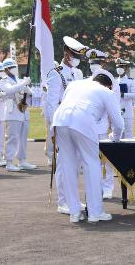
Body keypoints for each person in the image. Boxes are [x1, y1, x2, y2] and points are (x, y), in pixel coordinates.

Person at [52, 73, 124, 223]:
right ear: (108, 85)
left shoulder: (75, 84)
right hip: (82, 119)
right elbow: (118, 123)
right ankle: (95, 212)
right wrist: (115, 138)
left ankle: (74, 212)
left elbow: (65, 103)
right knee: (92, 164)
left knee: (67, 165)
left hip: (60, 119)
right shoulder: (107, 92)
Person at [47, 36, 88, 213]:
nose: (77, 59)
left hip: (78, 125)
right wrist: (54, 128)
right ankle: (63, 202)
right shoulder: (55, 73)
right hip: (63, 126)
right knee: (64, 165)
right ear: (66, 53)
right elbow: (51, 104)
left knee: (76, 165)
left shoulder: (78, 74)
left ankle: (74, 200)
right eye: (75, 55)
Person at [87, 48, 120, 199]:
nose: (93, 65)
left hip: (101, 125)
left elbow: (114, 104)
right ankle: (96, 186)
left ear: (102, 62)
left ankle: (108, 187)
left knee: (105, 159)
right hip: (87, 125)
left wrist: (113, 127)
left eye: (97, 62)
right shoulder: (86, 81)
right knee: (90, 159)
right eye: (91, 63)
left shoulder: (109, 78)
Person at [0, 58, 35, 172]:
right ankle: (9, 161)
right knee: (13, 137)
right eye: (11, 67)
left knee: (23, 138)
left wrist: (26, 87)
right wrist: (23, 84)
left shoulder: (19, 80)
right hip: (13, 113)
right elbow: (10, 91)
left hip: (23, 111)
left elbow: (30, 93)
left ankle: (22, 160)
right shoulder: (4, 81)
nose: (14, 69)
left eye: (15, 67)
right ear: (6, 70)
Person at [116, 58, 135, 139]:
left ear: (125, 68)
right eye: (118, 66)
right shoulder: (114, 81)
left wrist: (124, 95)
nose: (119, 68)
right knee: (117, 133)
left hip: (127, 111)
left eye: (121, 66)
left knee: (128, 133)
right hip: (117, 111)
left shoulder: (131, 81)